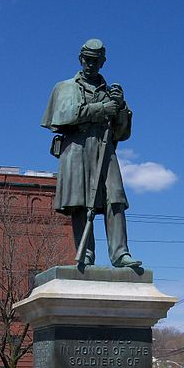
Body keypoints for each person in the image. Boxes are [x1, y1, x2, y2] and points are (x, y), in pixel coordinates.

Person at [41, 38, 142, 268]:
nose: (90, 65)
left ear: (102, 62)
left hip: (105, 150)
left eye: (95, 61)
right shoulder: (65, 87)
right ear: (80, 59)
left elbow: (122, 132)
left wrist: (121, 109)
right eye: (87, 60)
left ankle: (120, 254)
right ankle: (85, 253)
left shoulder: (109, 93)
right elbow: (65, 114)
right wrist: (101, 109)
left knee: (115, 197)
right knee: (79, 202)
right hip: (76, 148)